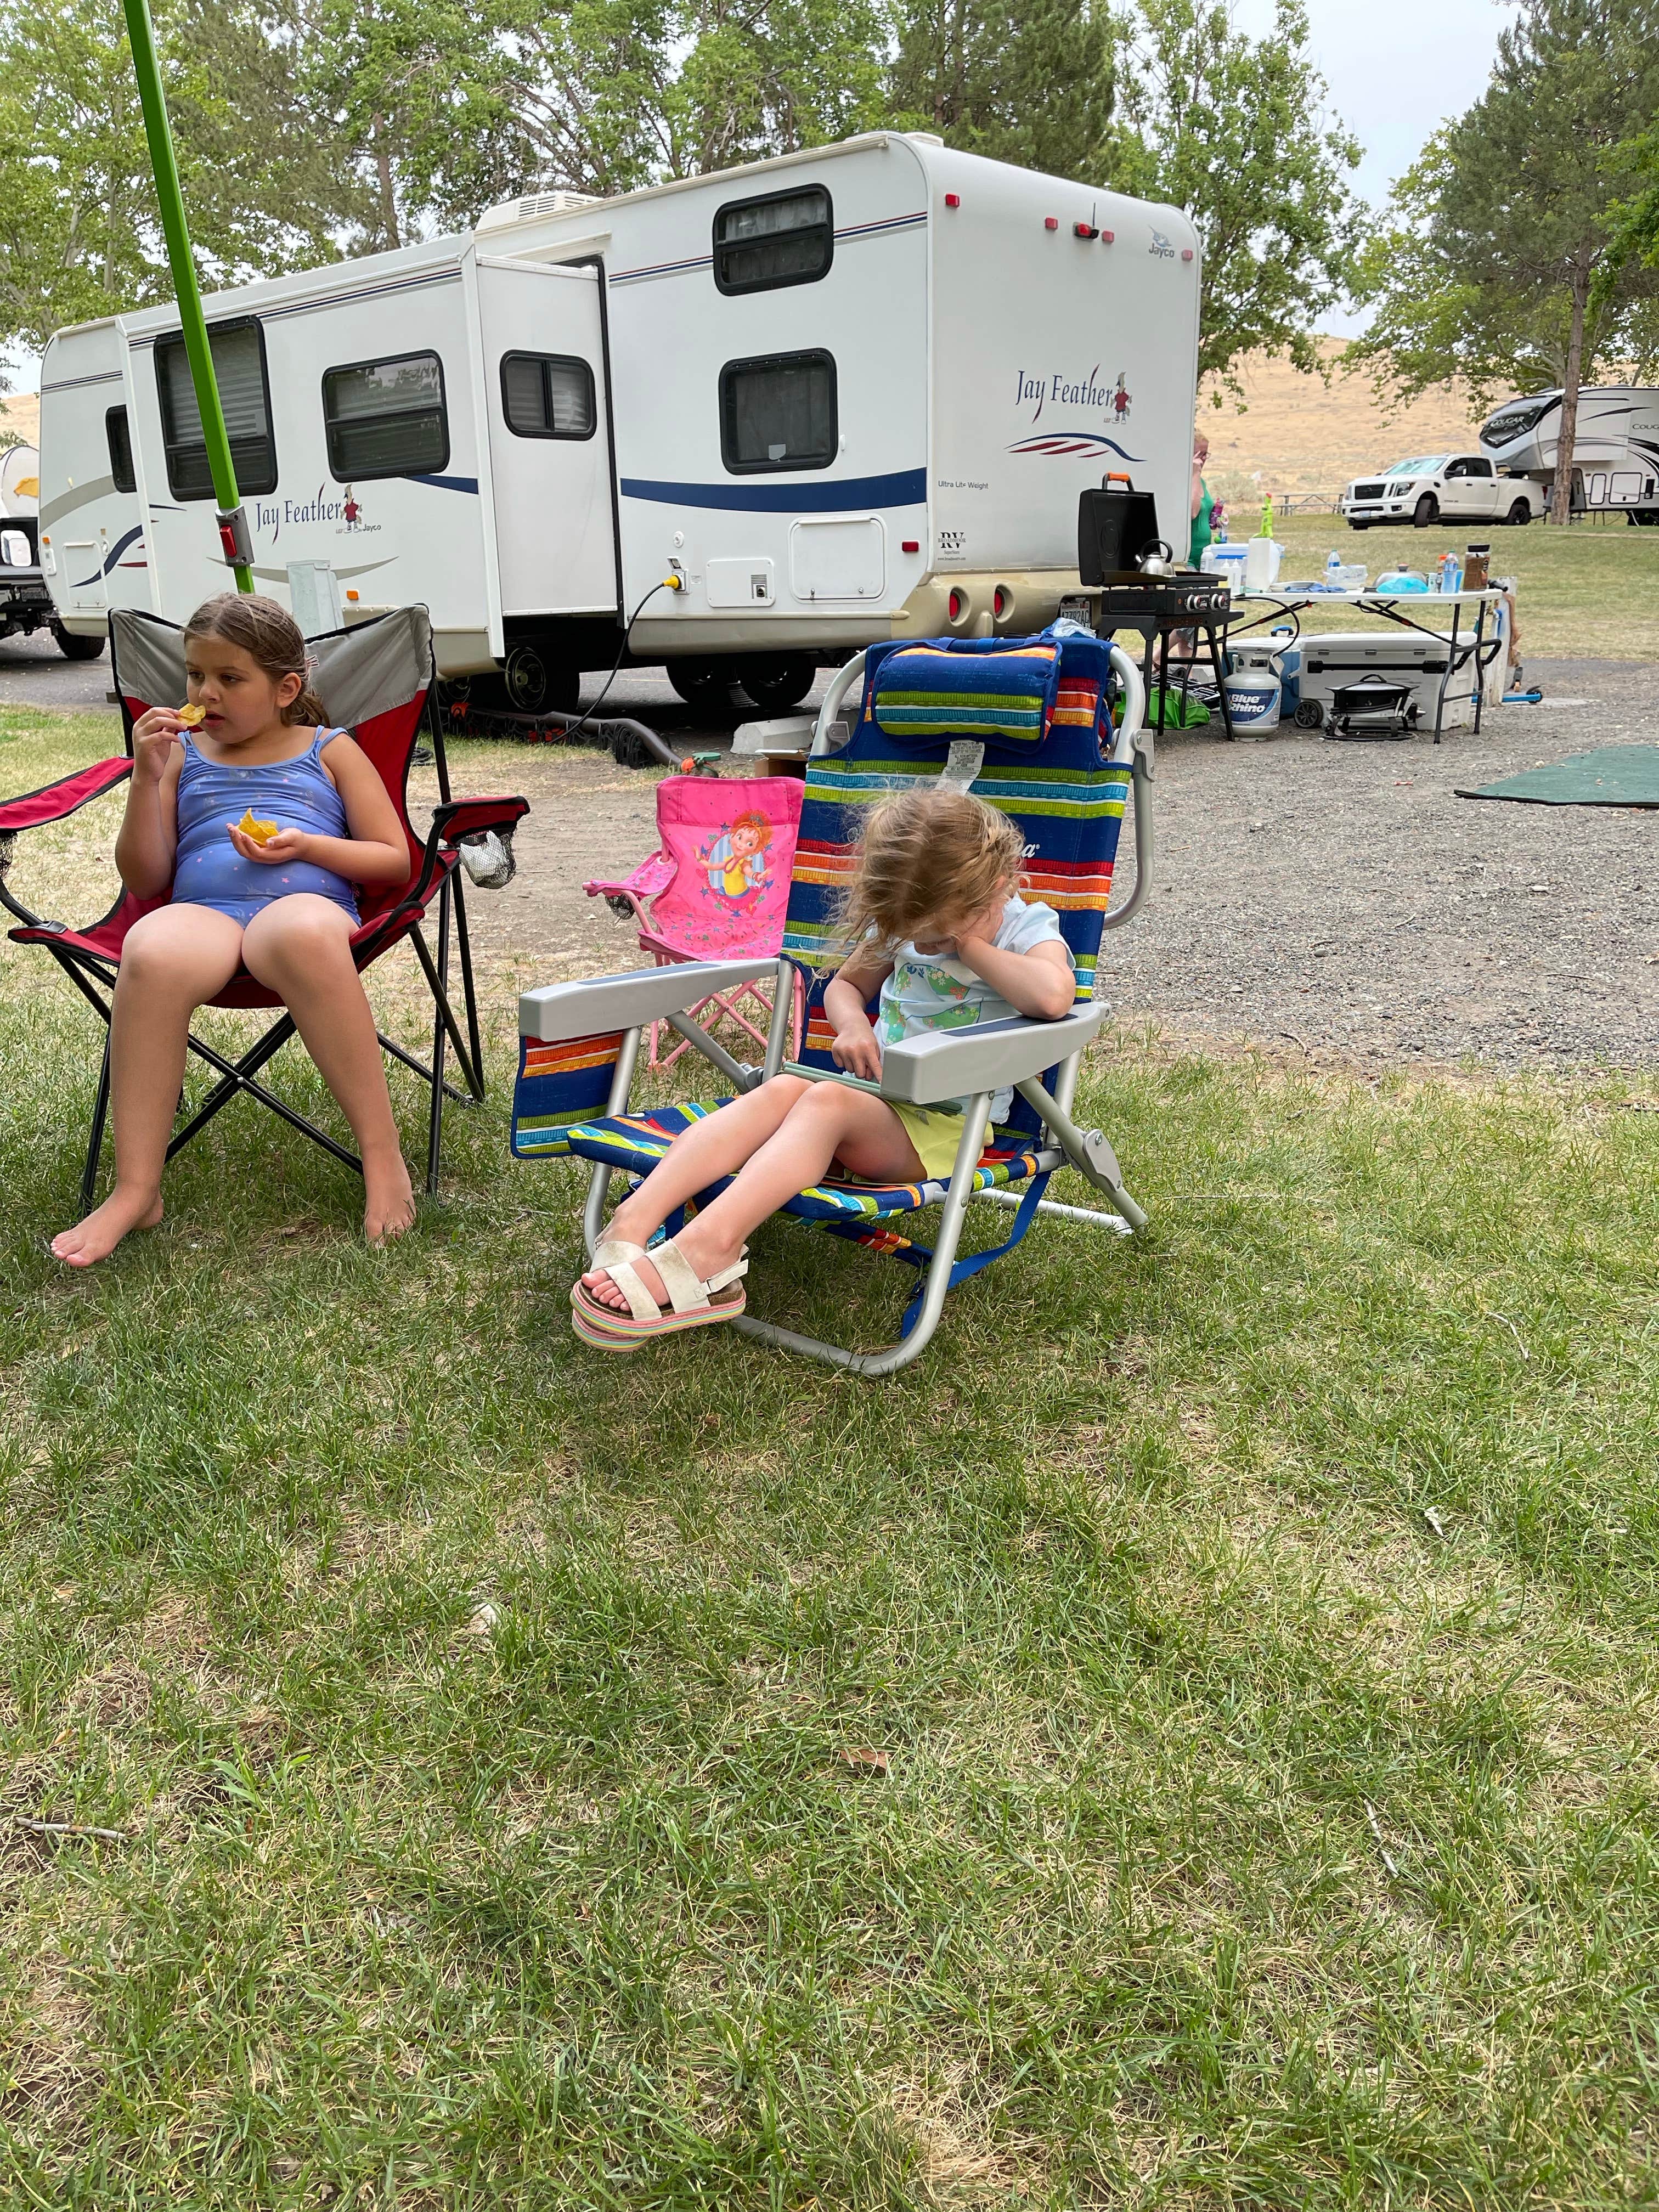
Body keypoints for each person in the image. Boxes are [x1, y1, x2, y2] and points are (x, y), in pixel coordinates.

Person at [572, 784, 1076, 1347]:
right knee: (785, 1088)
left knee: (821, 1099)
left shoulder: (1024, 928)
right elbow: (844, 988)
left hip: (944, 1128)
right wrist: (856, 1025)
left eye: (939, 936)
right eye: (919, 938)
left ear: (1000, 884)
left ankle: (708, 1247)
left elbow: (1054, 997)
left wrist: (971, 947)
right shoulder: (906, 916)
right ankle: (635, 1220)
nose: (927, 948)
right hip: (870, 1101)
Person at [50, 593, 416, 1267]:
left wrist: (307, 845)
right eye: (195, 675)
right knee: (150, 947)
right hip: (203, 913)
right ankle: (137, 1187)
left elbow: (393, 857)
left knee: (298, 933)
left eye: (229, 679)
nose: (205, 693)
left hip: (306, 910)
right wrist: (145, 778)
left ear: (287, 689)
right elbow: (144, 875)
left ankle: (382, 1155)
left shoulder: (329, 750)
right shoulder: (182, 754)